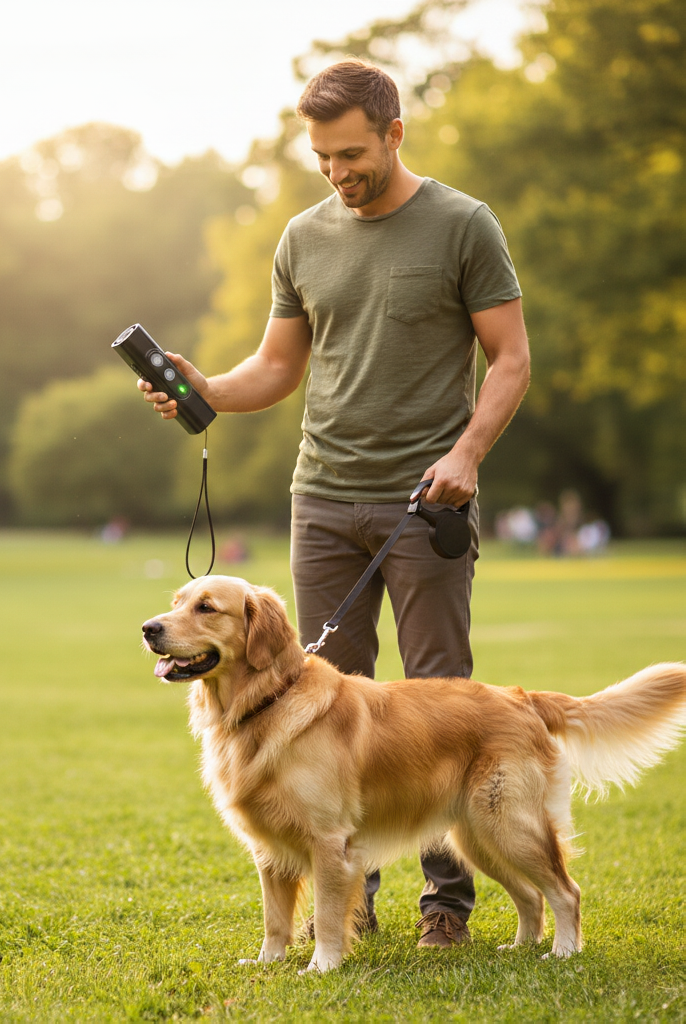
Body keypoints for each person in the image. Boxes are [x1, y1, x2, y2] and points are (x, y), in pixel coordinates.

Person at [139, 59, 531, 949]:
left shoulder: (465, 225)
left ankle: (448, 906)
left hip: (423, 500)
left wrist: (467, 453)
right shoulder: (303, 237)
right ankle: (351, 899)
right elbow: (277, 368)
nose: (337, 172)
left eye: (351, 153)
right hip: (320, 498)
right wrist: (207, 388)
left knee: (435, 698)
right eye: (321, 157)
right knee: (312, 703)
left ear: (395, 134)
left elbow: (511, 357)